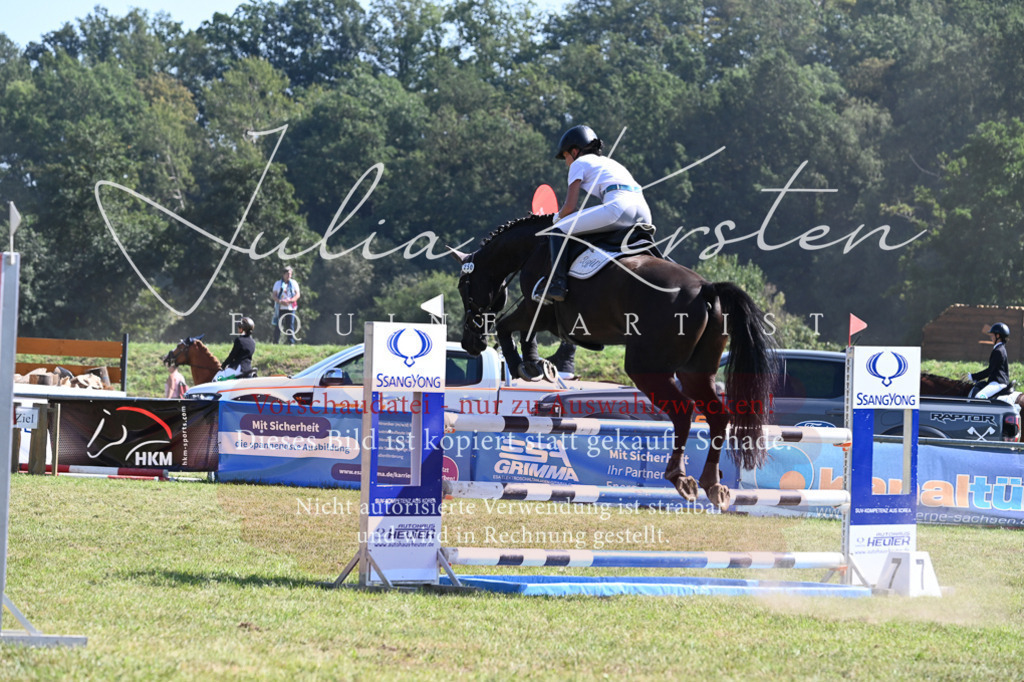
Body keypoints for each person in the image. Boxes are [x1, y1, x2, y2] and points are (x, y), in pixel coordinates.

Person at [545, 124, 653, 302]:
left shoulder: (578, 163)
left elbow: (570, 207)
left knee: (558, 230)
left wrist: (556, 218)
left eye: (565, 157)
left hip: (620, 208)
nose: (566, 163)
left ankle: (557, 285)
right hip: (644, 212)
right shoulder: (611, 162)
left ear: (574, 151)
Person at [966, 323, 1010, 398]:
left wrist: (974, 377)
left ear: (998, 336)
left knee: (979, 397)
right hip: (996, 381)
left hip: (998, 382)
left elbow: (990, 370)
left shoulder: (998, 351)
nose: (991, 337)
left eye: (992, 335)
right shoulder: (1000, 348)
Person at [215, 317, 256, 381]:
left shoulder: (239, 340)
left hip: (238, 368)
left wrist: (223, 365)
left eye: (239, 327)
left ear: (242, 329)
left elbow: (232, 355)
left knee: (217, 378)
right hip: (248, 368)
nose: (238, 328)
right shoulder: (253, 342)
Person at [272, 266, 301, 344]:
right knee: (278, 325)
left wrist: (291, 300)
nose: (289, 276)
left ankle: (291, 342)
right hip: (280, 308)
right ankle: (275, 342)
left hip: (291, 308)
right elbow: (274, 295)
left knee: (290, 325)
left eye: (290, 274)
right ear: (283, 274)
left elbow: (297, 295)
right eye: (288, 274)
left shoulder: (294, 283)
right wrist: (280, 301)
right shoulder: (278, 284)